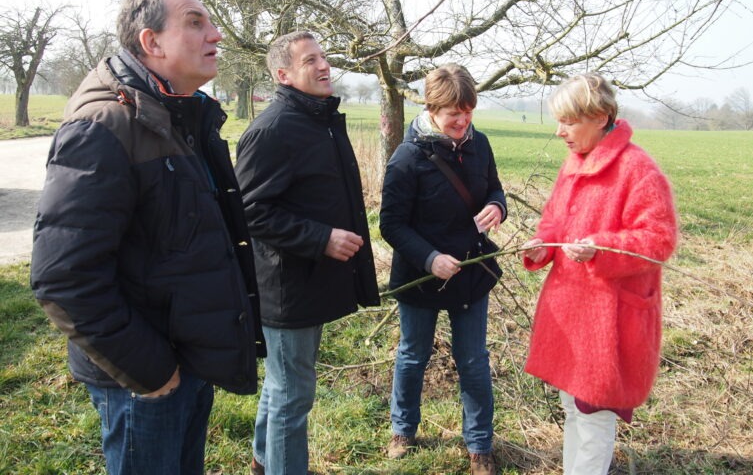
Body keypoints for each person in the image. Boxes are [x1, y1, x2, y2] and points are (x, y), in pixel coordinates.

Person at [30, 0, 267, 475]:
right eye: (195, 23)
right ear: (151, 42)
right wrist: (153, 372)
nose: (217, 35)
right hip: (144, 379)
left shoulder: (184, 116)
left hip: (188, 361)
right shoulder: (104, 128)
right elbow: (63, 278)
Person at [234, 30, 380, 475]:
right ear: (283, 75)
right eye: (310, 60)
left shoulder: (317, 120)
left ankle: (264, 460)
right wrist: (321, 238)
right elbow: (249, 211)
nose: (324, 66)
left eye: (324, 57)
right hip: (287, 287)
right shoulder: (274, 129)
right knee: (292, 394)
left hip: (309, 280)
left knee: (284, 387)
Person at [521, 73, 677, 475]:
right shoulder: (575, 163)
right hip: (570, 315)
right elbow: (556, 222)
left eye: (569, 122)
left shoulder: (637, 168)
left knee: (594, 419)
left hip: (610, 321)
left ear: (602, 116)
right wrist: (543, 244)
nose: (560, 132)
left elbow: (659, 239)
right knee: (574, 409)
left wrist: (600, 246)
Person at [379, 64, 506, 475]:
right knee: (413, 355)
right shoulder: (407, 157)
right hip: (422, 275)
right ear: (432, 107)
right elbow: (391, 223)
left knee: (473, 360)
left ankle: (480, 444)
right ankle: (403, 429)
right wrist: (430, 258)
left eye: (468, 111)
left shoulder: (480, 144)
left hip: (471, 272)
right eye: (454, 112)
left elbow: (493, 187)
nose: (462, 120)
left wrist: (496, 206)